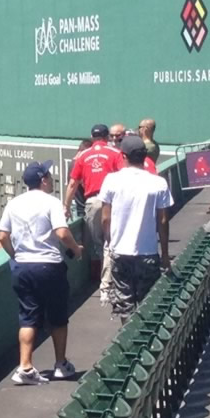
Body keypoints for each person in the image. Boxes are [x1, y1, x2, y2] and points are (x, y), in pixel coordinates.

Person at [0, 162, 82, 383]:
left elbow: (2, 236)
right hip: (49, 266)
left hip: (23, 267)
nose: (52, 179)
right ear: (43, 180)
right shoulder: (51, 202)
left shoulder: (14, 203)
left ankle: (25, 368)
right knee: (58, 318)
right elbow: (62, 233)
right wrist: (76, 249)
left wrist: (15, 255)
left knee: (27, 318)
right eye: (49, 176)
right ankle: (61, 365)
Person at [98, 135, 174, 320]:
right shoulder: (158, 182)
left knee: (125, 306)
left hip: (120, 252)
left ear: (123, 156)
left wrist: (110, 242)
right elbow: (163, 222)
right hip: (148, 252)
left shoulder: (111, 180)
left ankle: (127, 344)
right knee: (149, 305)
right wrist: (164, 255)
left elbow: (105, 218)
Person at [66, 124, 126, 293]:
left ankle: (105, 281)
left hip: (92, 201)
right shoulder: (115, 153)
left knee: (99, 244)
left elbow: (72, 184)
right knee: (112, 241)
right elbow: (124, 176)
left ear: (92, 137)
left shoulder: (83, 155)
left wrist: (65, 205)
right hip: (113, 201)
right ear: (107, 137)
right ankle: (112, 280)